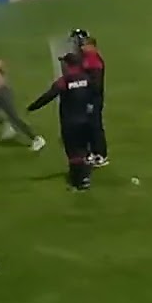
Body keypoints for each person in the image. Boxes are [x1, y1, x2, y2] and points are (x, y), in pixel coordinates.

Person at [27, 53, 99, 191]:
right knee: (83, 150)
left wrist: (32, 107)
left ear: (68, 65)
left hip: (70, 123)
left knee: (73, 153)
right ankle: (85, 178)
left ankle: (78, 182)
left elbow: (48, 96)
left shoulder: (65, 81)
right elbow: (95, 93)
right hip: (86, 120)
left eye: (63, 63)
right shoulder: (87, 79)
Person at [80, 36, 109, 166]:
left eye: (85, 45)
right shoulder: (87, 58)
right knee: (88, 126)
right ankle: (91, 152)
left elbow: (96, 85)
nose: (82, 48)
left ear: (92, 46)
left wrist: (90, 101)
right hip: (87, 98)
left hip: (93, 98)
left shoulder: (94, 61)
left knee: (95, 126)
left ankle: (101, 154)